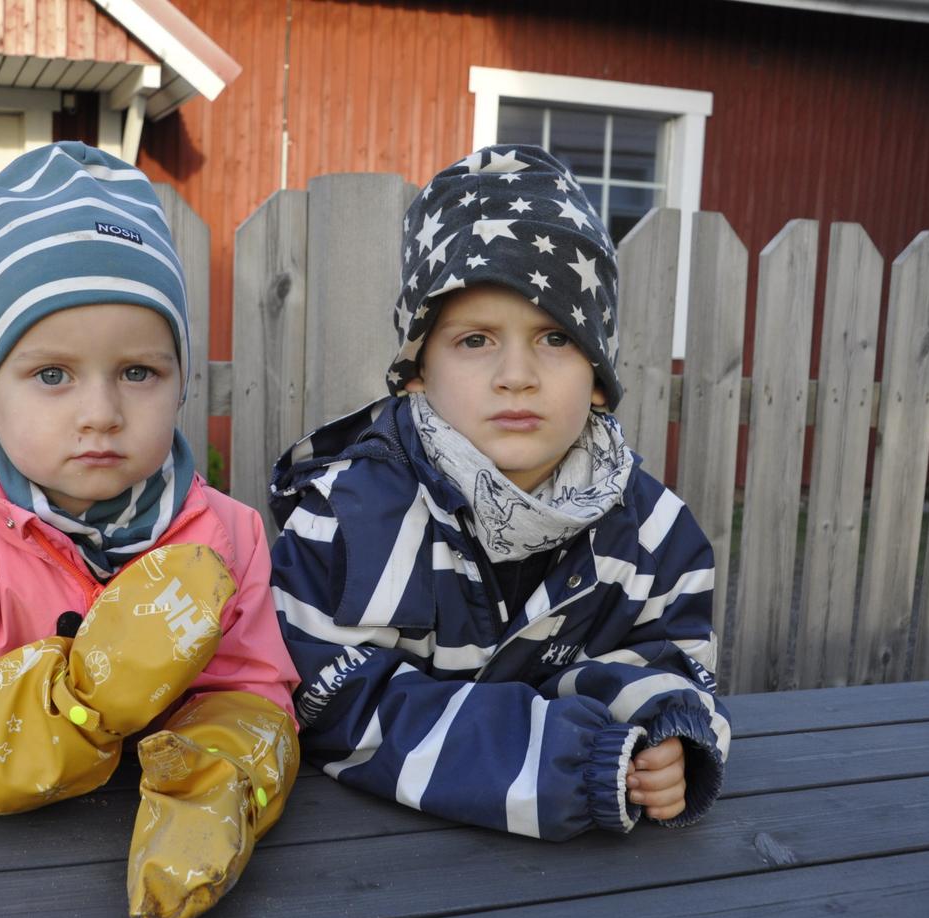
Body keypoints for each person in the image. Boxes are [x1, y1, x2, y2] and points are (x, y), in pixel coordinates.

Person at [0, 141, 299, 918]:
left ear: (180, 381)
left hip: (117, 866)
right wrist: (73, 704)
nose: (101, 412)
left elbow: (252, 687)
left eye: (138, 372)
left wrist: (219, 779)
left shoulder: (226, 537)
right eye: (52, 375)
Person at [269, 144, 729, 840]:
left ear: (599, 377)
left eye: (554, 337)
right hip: (369, 860)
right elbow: (336, 704)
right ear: (416, 369)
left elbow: (669, 657)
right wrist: (565, 760)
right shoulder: (348, 522)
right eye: (476, 339)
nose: (517, 374)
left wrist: (662, 730)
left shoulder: (656, 535)